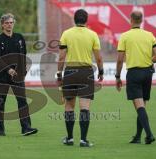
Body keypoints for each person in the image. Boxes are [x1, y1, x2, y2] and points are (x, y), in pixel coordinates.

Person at [57, 9, 104, 147]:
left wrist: (59, 74)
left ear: (74, 19)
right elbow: (99, 57)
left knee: (69, 106)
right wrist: (101, 71)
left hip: (70, 72)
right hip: (86, 73)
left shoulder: (66, 34)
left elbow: (61, 57)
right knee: (85, 107)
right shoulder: (92, 34)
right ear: (86, 20)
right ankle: (83, 140)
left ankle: (70, 138)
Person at [115, 11, 156, 144]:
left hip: (134, 74)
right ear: (141, 20)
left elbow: (119, 60)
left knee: (139, 106)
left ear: (131, 20)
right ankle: (137, 137)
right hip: (148, 73)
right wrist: (148, 62)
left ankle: (149, 135)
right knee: (142, 105)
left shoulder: (125, 36)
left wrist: (117, 76)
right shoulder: (149, 35)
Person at [0, 13, 38, 136]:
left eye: (11, 22)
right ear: (2, 24)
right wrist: (8, 69)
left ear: (14, 23)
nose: (9, 25)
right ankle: (0, 129)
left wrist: (22, 71)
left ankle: (26, 128)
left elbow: (23, 56)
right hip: (2, 76)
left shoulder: (19, 37)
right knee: (1, 102)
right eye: (7, 23)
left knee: (22, 101)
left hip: (17, 76)